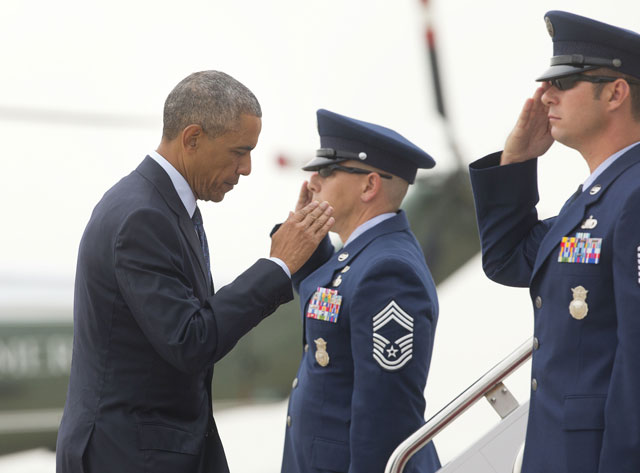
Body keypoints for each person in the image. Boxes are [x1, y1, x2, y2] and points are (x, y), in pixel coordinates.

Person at [56, 70, 334, 473]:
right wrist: (278, 265)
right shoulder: (143, 217)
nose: (247, 168)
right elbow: (190, 340)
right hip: (130, 457)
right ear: (192, 139)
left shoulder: (161, 205)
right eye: (239, 151)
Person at [469, 11, 640, 473]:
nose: (545, 95)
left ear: (616, 93)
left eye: (564, 83)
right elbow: (508, 259)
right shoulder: (595, 198)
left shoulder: (634, 194)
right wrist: (516, 162)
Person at [279, 109, 441, 473]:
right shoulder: (361, 257)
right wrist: (308, 239)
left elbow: (386, 419)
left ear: (369, 185)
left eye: (326, 170)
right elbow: (327, 311)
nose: (312, 180)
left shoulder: (388, 270)